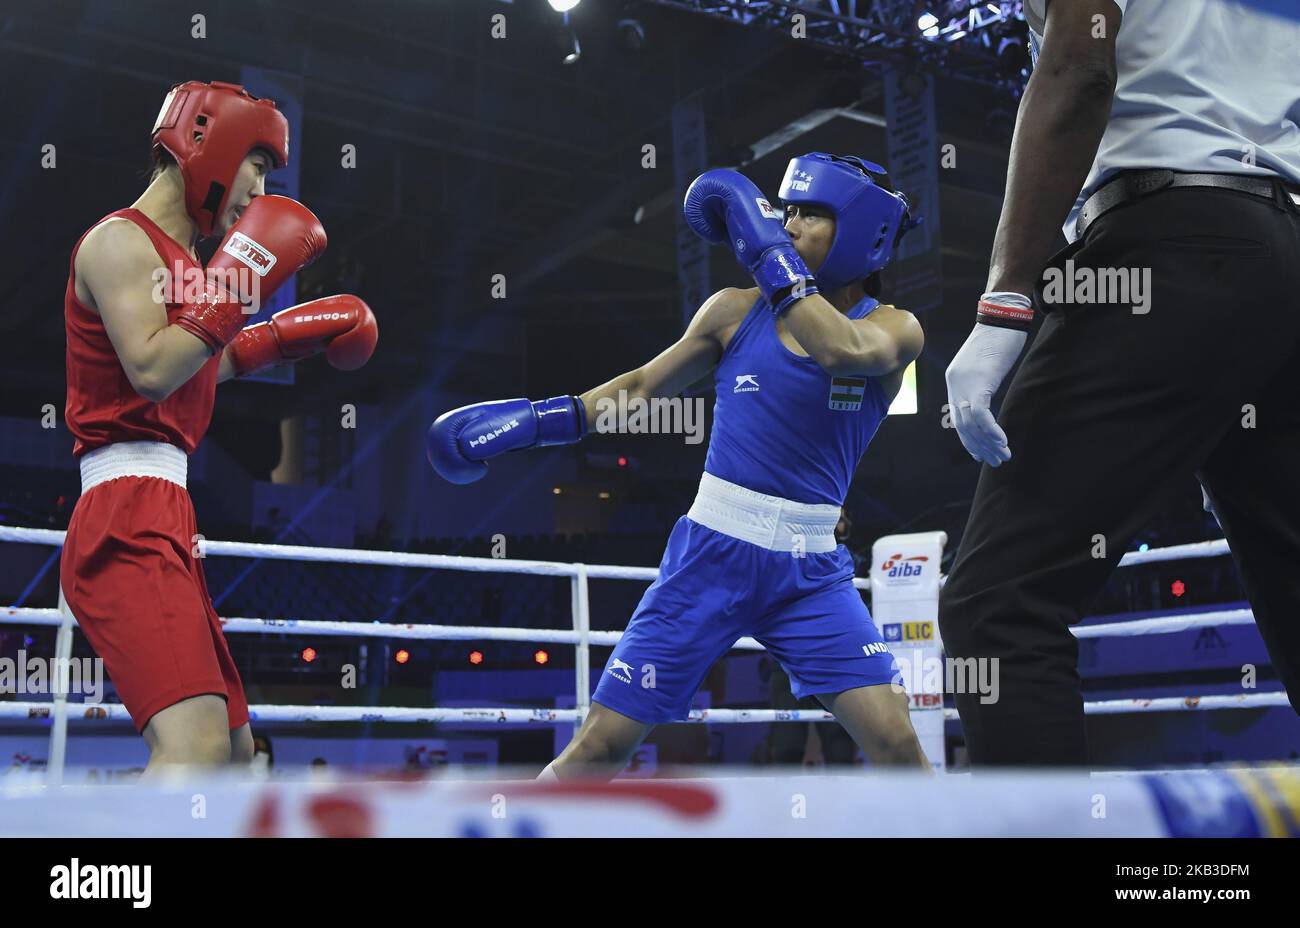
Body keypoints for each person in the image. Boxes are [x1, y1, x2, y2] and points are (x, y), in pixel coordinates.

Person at [429, 152, 929, 777]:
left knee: (896, 743)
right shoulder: (733, 311)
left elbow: (840, 350)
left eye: (813, 214)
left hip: (811, 571)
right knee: (602, 746)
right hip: (710, 556)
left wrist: (767, 254)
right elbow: (639, 389)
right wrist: (535, 423)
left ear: (860, 231)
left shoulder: (894, 328)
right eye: (787, 209)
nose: (790, 224)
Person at [941, 0, 1300, 766]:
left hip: (1170, 240)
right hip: (1280, 250)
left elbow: (1078, 66)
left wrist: (1006, 301)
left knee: (997, 606)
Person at [60, 80, 378, 776]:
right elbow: (150, 368)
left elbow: (197, 364)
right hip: (124, 511)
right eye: (257, 165)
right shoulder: (118, 243)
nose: (258, 191)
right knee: (194, 748)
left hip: (168, 512)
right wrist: (238, 291)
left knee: (233, 753)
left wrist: (280, 339)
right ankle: (103, 882)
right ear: (209, 145)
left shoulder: (192, 270)